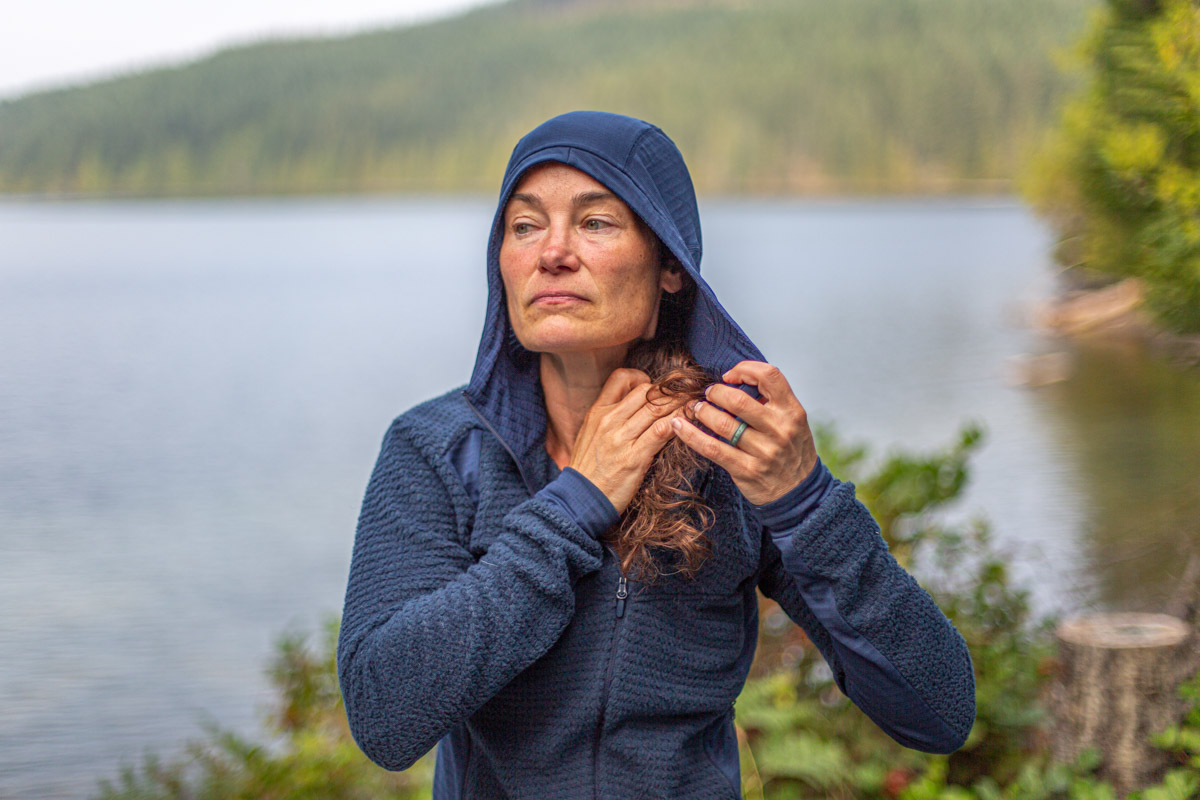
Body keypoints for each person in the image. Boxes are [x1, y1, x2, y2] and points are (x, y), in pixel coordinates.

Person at [337, 111, 976, 800]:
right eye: (525, 226)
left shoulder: (730, 454)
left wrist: (807, 503)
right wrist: (574, 504)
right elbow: (384, 718)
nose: (552, 252)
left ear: (670, 263)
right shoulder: (438, 450)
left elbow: (937, 712)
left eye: (595, 222)